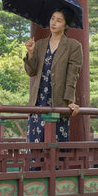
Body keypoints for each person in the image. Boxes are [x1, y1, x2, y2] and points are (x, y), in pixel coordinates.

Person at [24, 9, 83, 142]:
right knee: (35, 148)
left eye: (59, 20)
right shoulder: (39, 44)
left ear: (66, 25)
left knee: (56, 149)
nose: (54, 23)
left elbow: (72, 75)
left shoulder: (73, 46)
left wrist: (70, 101)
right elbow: (31, 72)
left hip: (58, 102)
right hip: (38, 102)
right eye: (52, 18)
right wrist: (31, 53)